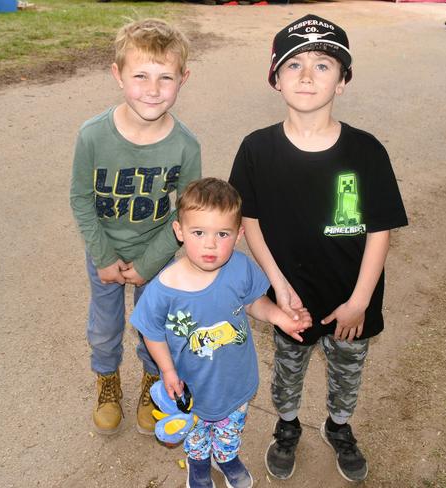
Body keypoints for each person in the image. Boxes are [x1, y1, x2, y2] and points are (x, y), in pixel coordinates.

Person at [229, 14, 408, 483]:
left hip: (353, 299)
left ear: (343, 80)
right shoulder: (256, 149)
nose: (307, 76)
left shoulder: (366, 152)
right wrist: (279, 287)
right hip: (293, 298)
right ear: (275, 78)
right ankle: (286, 427)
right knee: (287, 370)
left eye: (323, 64)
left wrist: (360, 301)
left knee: (347, 372)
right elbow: (250, 221)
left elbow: (380, 229)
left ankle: (339, 425)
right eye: (294, 64)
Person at [130, 178, 312, 488]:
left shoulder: (240, 268)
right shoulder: (164, 289)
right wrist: (168, 370)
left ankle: (227, 457)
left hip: (234, 380)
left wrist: (279, 316)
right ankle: (199, 467)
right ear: (179, 232)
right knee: (196, 434)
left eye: (222, 234)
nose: (210, 244)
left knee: (231, 428)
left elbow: (255, 301)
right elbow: (152, 332)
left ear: (239, 235)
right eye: (198, 232)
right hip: (190, 385)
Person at [70, 18, 201, 437]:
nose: (153, 88)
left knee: (153, 327)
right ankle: (107, 382)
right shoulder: (92, 135)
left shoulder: (185, 145)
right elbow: (81, 198)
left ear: (184, 78)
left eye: (166, 77)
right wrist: (104, 256)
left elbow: (187, 213)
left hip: (157, 256)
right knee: (104, 326)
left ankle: (153, 382)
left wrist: (148, 262)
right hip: (104, 250)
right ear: (117, 74)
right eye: (140, 75)